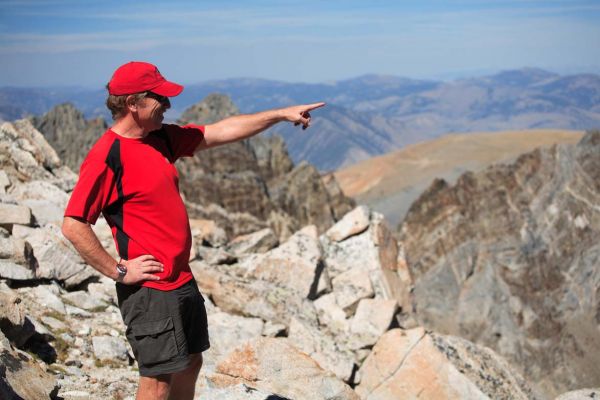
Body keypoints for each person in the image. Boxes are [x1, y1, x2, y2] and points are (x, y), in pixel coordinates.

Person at [61, 61, 325, 400]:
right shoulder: (106, 157)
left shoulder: (159, 139)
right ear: (132, 104)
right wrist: (119, 270)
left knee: (190, 362)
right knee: (156, 384)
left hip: (182, 278)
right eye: (159, 98)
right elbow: (73, 223)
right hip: (152, 289)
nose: (168, 105)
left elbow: (220, 131)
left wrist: (280, 114)